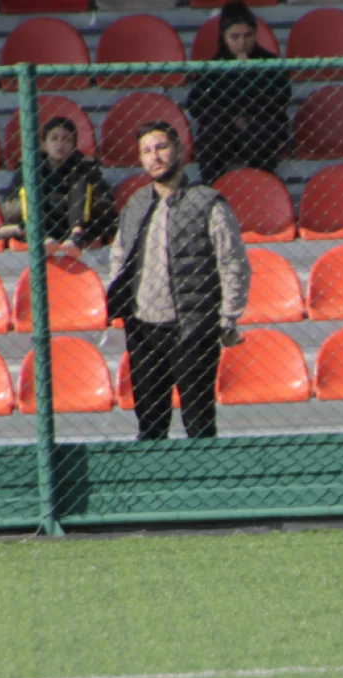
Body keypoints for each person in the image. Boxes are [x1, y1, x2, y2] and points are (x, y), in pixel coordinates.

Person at [105, 121, 250, 441]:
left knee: (198, 421)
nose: (154, 156)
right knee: (149, 423)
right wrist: (120, 299)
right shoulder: (136, 204)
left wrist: (228, 317)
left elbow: (232, 261)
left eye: (161, 147)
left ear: (179, 150)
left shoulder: (207, 202)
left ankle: (203, 486)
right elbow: (119, 254)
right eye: (146, 151)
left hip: (193, 326)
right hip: (143, 328)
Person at [185, 0, 293, 185]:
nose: (243, 43)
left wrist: (248, 112)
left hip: (260, 126)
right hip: (223, 127)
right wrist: (231, 117)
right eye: (235, 37)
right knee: (213, 136)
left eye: (248, 35)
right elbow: (196, 105)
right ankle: (212, 189)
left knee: (258, 133)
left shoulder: (270, 62)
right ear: (224, 36)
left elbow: (280, 98)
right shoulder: (212, 66)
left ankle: (263, 187)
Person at [0, 116, 116, 251]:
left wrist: (64, 201)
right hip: (40, 222)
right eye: (54, 138)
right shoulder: (30, 168)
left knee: (80, 179)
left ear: (74, 145)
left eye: (67, 139)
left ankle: (75, 237)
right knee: (34, 186)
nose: (60, 144)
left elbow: (104, 203)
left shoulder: (86, 167)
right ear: (44, 144)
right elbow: (11, 204)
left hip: (77, 224)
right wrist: (62, 201)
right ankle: (38, 235)